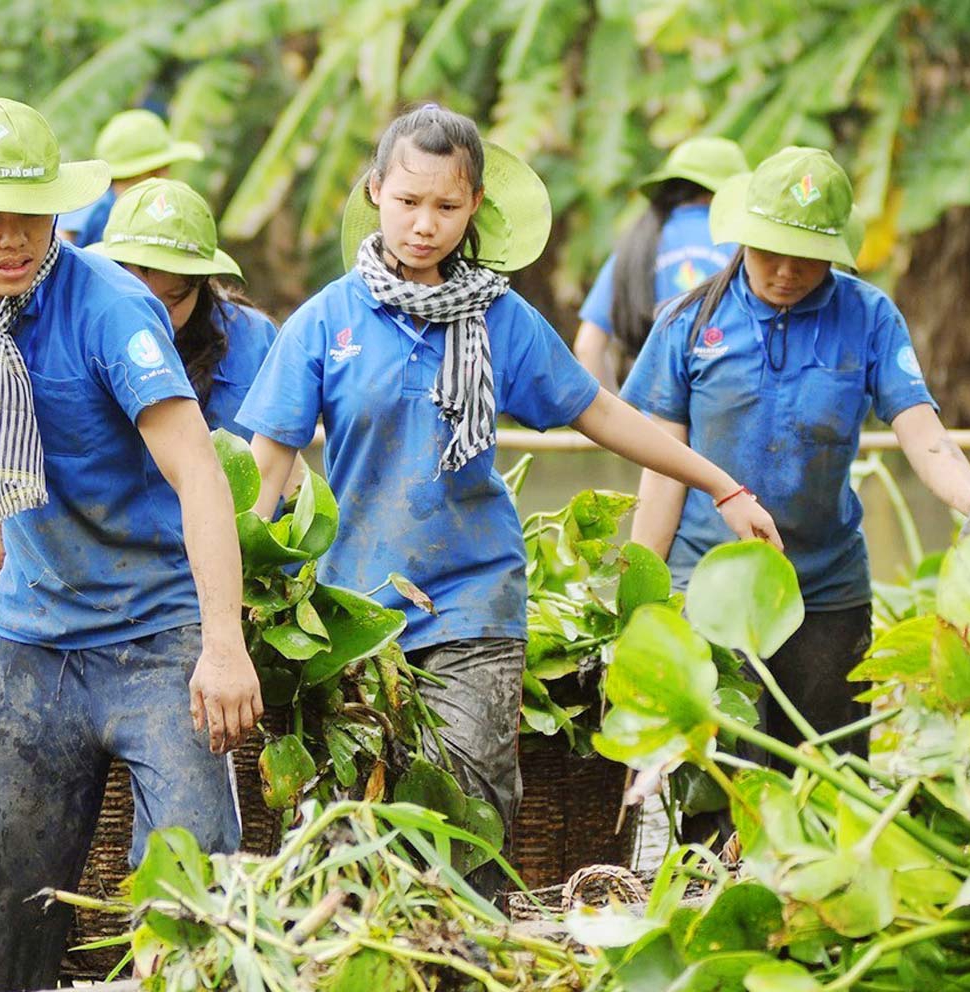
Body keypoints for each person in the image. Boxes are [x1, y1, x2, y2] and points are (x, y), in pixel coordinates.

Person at [235, 104, 780, 892]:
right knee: (353, 820)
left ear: (476, 208)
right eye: (408, 202)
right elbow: (270, 467)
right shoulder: (326, 322)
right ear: (375, 192)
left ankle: (470, 953)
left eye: (447, 207)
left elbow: (599, 411)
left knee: (470, 808)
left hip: (473, 595)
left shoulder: (500, 319)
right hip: (355, 608)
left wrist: (721, 483)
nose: (425, 224)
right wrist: (240, 605)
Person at [0, 98, 259, 990]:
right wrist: (2, 597)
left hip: (158, 631)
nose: (11, 238)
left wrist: (223, 645)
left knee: (188, 891)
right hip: (35, 635)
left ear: (61, 207)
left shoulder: (111, 310)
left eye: (31, 212)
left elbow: (202, 477)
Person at [622, 145, 970, 766]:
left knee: (829, 777)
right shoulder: (689, 322)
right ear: (743, 237)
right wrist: (639, 599)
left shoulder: (870, 318)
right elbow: (662, 467)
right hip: (712, 589)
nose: (784, 270)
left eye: (806, 258)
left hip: (826, 592)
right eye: (770, 251)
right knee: (721, 785)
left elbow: (923, 431)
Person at [90, 177, 275, 437]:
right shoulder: (83, 331)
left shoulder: (254, 338)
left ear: (202, 285)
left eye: (174, 298)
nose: (157, 317)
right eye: (141, 300)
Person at [573, 136, 748, 391]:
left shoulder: (637, 246)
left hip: (652, 423)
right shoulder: (742, 246)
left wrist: (616, 421)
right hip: (725, 418)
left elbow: (588, 345)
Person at [56, 109, 203, 246]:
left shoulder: (146, 212)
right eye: (160, 169)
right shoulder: (96, 205)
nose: (167, 176)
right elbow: (61, 240)